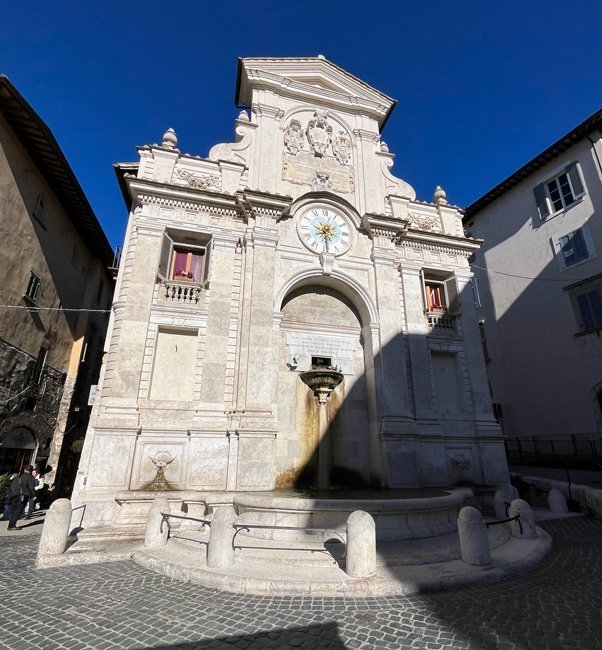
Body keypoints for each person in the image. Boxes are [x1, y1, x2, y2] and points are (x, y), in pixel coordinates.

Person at [7, 465, 36, 530]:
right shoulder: (30, 478)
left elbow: (12, 485)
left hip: (14, 495)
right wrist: (33, 495)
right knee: (18, 511)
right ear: (31, 471)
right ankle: (11, 526)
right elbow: (31, 488)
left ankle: (11, 524)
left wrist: (12, 494)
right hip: (22, 496)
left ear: (25, 470)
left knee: (13, 511)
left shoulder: (18, 476)